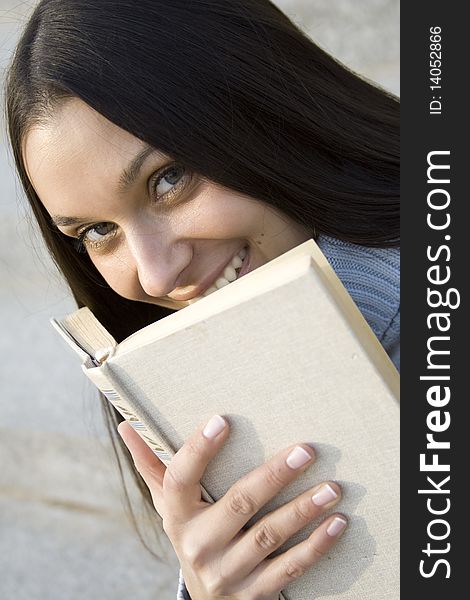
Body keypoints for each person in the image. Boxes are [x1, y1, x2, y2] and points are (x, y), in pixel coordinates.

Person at [5, 1, 399, 598]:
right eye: (97, 231)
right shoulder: (224, 419)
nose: (157, 277)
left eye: (168, 178)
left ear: (273, 109)